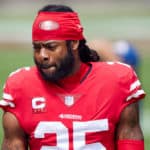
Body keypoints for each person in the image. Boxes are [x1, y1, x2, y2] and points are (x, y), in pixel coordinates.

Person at [0, 4, 146, 150]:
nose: (42, 55)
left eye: (51, 47)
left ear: (74, 43)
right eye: (37, 48)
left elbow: (129, 139)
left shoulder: (117, 80)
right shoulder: (20, 86)